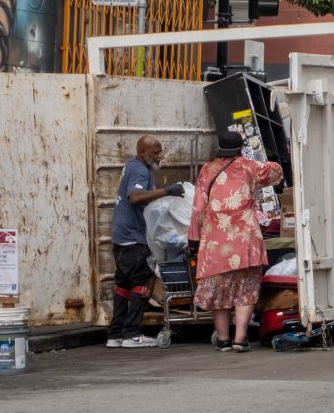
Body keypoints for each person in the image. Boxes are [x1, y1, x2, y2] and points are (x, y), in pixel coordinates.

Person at [187, 131, 283, 353]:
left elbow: (198, 209)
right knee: (246, 289)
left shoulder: (206, 170)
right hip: (245, 240)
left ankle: (223, 339)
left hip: (215, 242)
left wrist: (193, 240)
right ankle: (240, 338)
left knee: (219, 290)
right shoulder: (249, 167)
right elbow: (276, 170)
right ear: (241, 148)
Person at [107, 135, 185, 349]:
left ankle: (115, 334)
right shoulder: (140, 170)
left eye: (161, 151)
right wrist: (167, 191)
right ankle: (132, 334)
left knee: (123, 285)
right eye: (155, 152)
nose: (160, 156)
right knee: (142, 284)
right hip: (133, 238)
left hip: (121, 238)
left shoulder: (132, 166)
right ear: (143, 153)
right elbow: (135, 197)